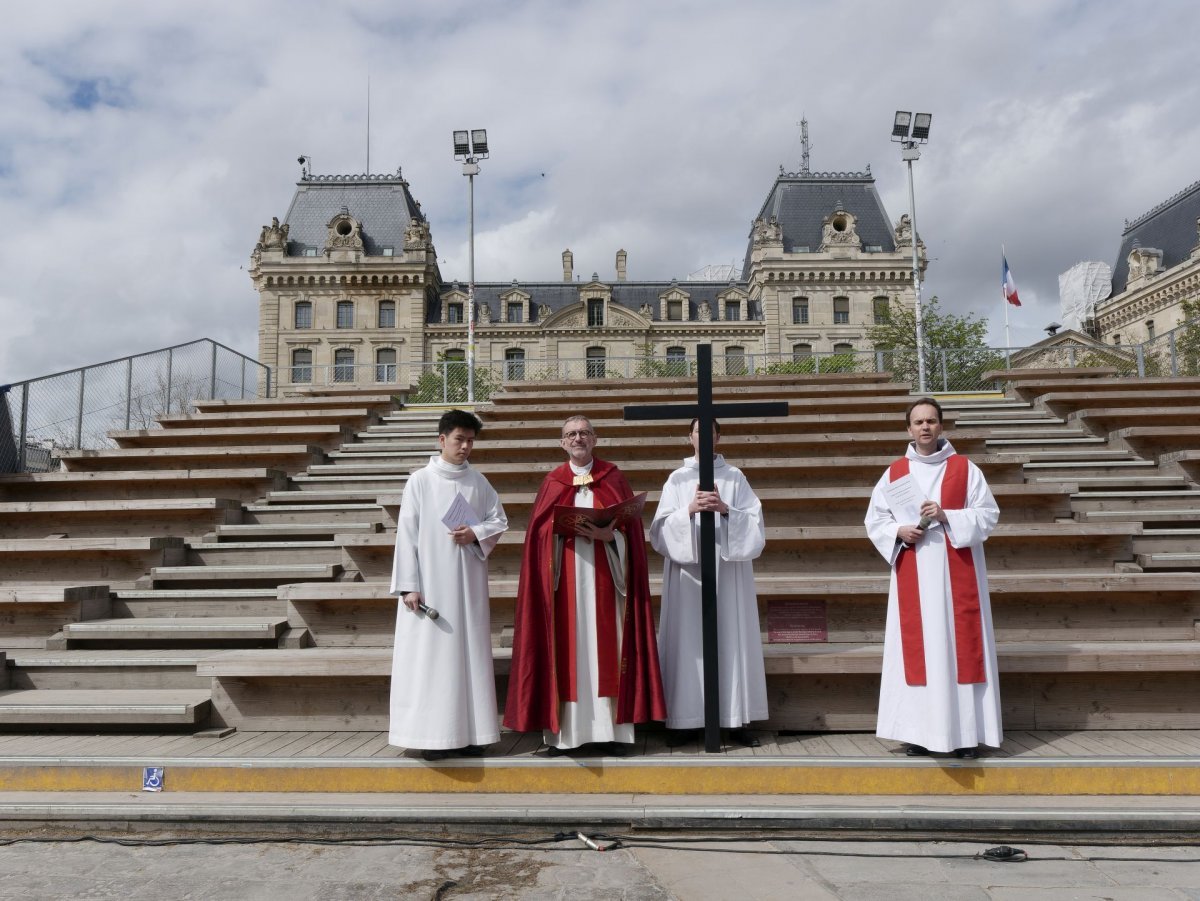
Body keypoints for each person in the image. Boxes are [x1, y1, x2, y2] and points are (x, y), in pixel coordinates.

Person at [504, 414, 666, 754]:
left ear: (595, 439)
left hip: (607, 580)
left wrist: (611, 535)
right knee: (569, 653)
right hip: (564, 586)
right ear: (562, 443)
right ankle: (567, 737)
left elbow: (631, 532)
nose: (578, 438)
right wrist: (556, 532)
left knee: (609, 649)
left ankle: (614, 735)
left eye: (584, 433)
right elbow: (538, 537)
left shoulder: (613, 477)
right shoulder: (553, 482)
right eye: (571, 434)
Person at [864, 397, 1002, 759]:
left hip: (957, 576)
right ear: (908, 429)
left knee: (960, 651)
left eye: (931, 421)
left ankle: (966, 736)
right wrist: (899, 531)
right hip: (915, 573)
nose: (925, 427)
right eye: (918, 422)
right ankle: (919, 734)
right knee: (918, 652)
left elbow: (988, 515)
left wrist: (946, 516)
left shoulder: (965, 468)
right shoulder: (895, 473)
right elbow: (874, 520)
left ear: (942, 426)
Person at [389, 409, 508, 761]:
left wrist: (476, 532)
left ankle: (472, 734)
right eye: (459, 439)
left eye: (471, 440)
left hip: (468, 586)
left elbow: (498, 520)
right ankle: (431, 737)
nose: (466, 446)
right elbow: (406, 535)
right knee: (432, 660)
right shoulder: (420, 481)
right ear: (442, 440)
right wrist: (409, 586)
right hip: (430, 587)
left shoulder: (479, 482)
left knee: (469, 658)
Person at [650, 418, 768, 748]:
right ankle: (687, 718)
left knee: (731, 641)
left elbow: (756, 527)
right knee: (689, 644)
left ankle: (735, 718)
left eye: (710, 431)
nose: (704, 436)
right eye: (698, 431)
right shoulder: (677, 479)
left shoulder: (734, 477)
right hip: (689, 575)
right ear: (689, 437)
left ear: (718, 437)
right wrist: (688, 509)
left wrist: (725, 508)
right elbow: (658, 532)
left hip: (727, 574)